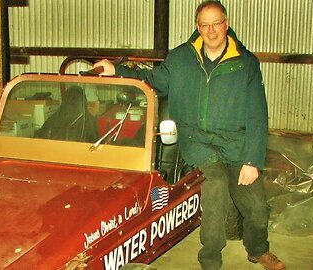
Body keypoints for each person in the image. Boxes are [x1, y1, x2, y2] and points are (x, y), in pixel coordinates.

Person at [93, 1, 285, 269]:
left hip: (236, 144)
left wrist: (252, 160)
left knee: (256, 206)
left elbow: (257, 115)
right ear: (198, 27)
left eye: (216, 23)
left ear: (226, 24)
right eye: (204, 25)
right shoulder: (181, 58)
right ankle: (210, 260)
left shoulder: (245, 64)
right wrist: (117, 71)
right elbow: (155, 80)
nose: (211, 30)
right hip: (198, 142)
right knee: (215, 189)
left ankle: (258, 249)